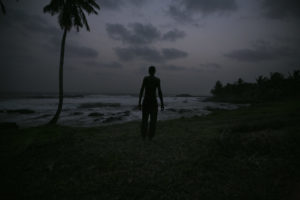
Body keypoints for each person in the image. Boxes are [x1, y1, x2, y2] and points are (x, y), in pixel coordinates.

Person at [138, 66, 164, 140]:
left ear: (149, 71)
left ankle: (143, 136)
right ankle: (150, 137)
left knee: (144, 120)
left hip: (146, 101)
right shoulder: (157, 80)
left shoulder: (146, 78)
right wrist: (162, 103)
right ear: (154, 71)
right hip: (153, 102)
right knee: (153, 121)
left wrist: (139, 102)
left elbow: (141, 90)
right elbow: (159, 92)